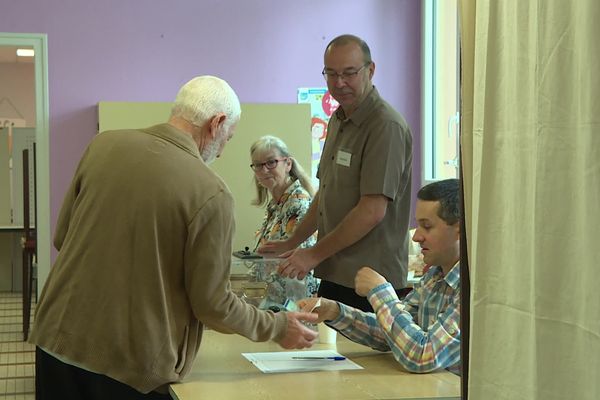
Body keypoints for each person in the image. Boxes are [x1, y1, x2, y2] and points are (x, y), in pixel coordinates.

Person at [29, 76, 318, 400]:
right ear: (217, 123)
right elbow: (212, 304)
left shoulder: (103, 145)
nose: (222, 152)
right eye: (228, 138)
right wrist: (277, 327)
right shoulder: (211, 192)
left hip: (55, 340)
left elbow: (62, 236)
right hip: (126, 369)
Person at [259, 34, 413, 312]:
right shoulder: (338, 119)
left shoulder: (385, 126)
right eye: (331, 74)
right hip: (334, 274)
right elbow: (326, 193)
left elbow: (372, 211)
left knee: (361, 357)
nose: (339, 83)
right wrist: (293, 242)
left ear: (370, 70)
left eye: (349, 73)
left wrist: (313, 254)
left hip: (372, 282)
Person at [301, 179, 461, 374]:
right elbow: (395, 335)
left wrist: (381, 293)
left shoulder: (474, 289)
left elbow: (422, 355)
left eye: (426, 226)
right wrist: (335, 312)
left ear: (460, 230)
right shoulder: (434, 278)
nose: (416, 236)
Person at [249, 136, 319, 308]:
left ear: (288, 164)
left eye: (271, 162)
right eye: (258, 165)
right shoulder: (276, 203)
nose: (264, 170)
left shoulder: (298, 202)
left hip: (297, 299)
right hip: (278, 298)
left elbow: (298, 261)